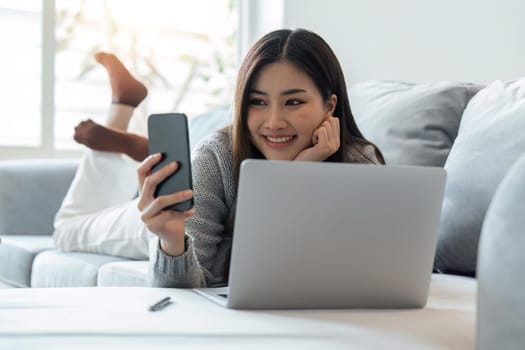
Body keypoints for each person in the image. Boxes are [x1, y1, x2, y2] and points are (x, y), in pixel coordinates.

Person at [136, 28, 384, 288]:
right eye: (258, 102)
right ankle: (121, 117)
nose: (274, 122)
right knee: (88, 226)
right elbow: (190, 293)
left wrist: (297, 176)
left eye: (294, 102)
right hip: (147, 219)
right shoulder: (214, 158)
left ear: (329, 106)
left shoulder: (359, 164)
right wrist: (173, 242)